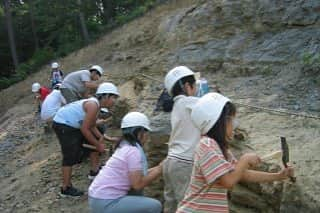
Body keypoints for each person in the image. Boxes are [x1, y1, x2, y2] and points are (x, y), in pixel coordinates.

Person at [177, 93, 295, 213]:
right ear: (219, 122)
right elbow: (228, 181)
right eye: (231, 120)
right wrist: (244, 160)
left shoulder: (220, 149)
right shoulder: (206, 145)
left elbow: (241, 174)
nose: (234, 126)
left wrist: (278, 176)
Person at [52, 82, 120, 197]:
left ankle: (94, 171)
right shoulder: (93, 106)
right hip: (63, 124)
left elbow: (92, 125)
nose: (114, 101)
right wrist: (98, 145)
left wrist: (105, 139)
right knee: (70, 155)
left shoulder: (97, 106)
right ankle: (66, 188)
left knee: (94, 136)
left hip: (73, 123)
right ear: (105, 96)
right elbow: (85, 129)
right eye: (113, 97)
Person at [88, 112, 163, 213]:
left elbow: (137, 175)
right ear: (139, 132)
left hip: (97, 197)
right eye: (146, 133)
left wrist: (160, 167)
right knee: (155, 206)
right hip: (106, 202)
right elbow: (137, 184)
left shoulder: (124, 146)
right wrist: (159, 169)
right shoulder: (133, 151)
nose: (147, 137)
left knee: (137, 197)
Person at [162, 66, 201, 213]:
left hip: (171, 161)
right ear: (187, 86)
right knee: (187, 207)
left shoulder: (178, 105)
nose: (196, 89)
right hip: (184, 163)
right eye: (195, 85)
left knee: (171, 205)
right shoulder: (189, 102)